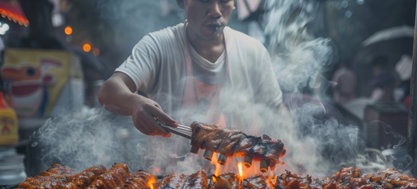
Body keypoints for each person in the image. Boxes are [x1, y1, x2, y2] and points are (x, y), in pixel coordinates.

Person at [98, 0, 284, 138]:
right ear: (182, 2)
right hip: (167, 182)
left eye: (224, 1)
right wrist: (134, 102)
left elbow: (277, 114)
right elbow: (109, 90)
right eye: (204, 1)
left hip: (240, 184)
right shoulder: (158, 45)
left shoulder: (253, 51)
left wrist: (299, 154)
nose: (216, 11)